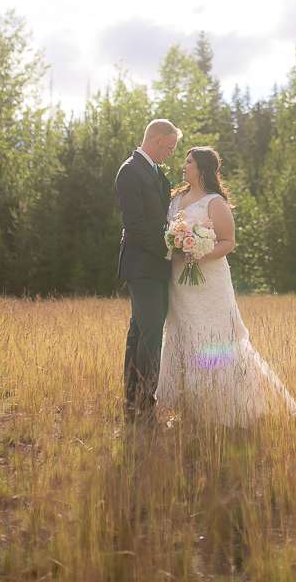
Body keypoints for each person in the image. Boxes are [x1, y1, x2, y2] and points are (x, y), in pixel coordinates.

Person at [156, 146, 296, 427]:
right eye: (184, 161)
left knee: (215, 339)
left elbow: (227, 242)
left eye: (189, 162)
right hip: (180, 282)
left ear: (203, 168)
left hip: (210, 282)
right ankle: (186, 408)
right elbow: (167, 234)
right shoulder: (176, 198)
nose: (183, 166)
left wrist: (197, 252)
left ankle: (221, 408)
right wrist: (176, 250)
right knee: (182, 335)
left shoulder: (214, 201)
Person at [115, 118, 181, 420]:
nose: (170, 153)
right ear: (156, 141)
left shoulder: (154, 171)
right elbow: (136, 225)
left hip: (154, 265)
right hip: (142, 265)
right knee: (151, 331)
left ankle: (133, 400)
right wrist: (167, 248)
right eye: (169, 147)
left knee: (140, 332)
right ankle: (143, 401)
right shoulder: (130, 171)